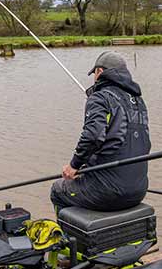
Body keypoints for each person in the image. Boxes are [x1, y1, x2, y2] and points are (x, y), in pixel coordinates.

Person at [50, 51, 151, 213]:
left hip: (108, 192)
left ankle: (69, 237)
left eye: (94, 74)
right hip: (139, 190)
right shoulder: (139, 102)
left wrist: (74, 165)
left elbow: (93, 136)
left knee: (57, 190)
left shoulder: (100, 98)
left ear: (100, 72)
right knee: (84, 179)